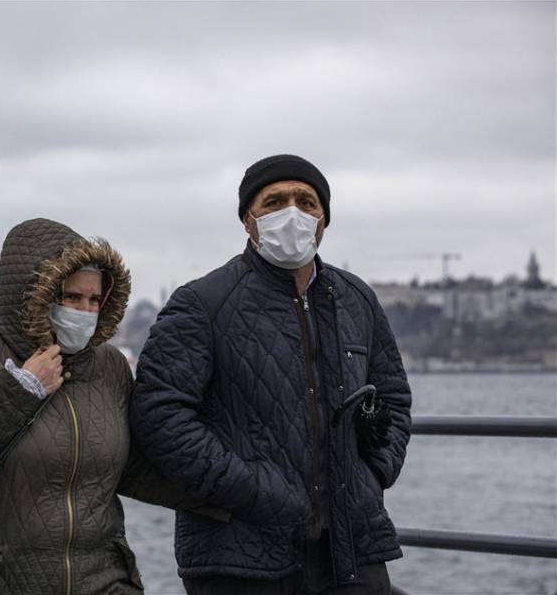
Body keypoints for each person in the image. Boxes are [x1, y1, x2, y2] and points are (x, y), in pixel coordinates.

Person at [130, 154, 412, 595]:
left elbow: (393, 397)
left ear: (323, 219)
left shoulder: (358, 300)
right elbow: (159, 415)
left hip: (351, 546)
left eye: (306, 201)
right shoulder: (202, 303)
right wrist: (251, 489)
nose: (292, 213)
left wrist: (374, 473)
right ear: (248, 219)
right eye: (274, 201)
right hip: (238, 553)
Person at [0, 217, 222, 595]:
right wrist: (20, 388)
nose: (85, 311)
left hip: (105, 580)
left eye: (94, 300)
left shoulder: (109, 366)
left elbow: (132, 467)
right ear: (34, 294)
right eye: (71, 298)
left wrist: (228, 495)